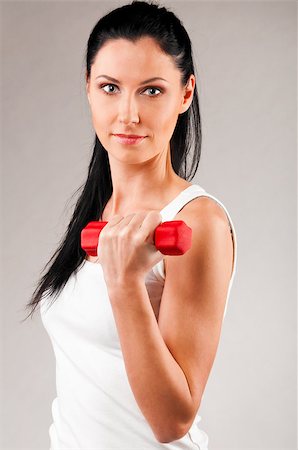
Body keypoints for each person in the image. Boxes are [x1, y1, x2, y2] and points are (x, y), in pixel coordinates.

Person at [24, 1, 237, 449]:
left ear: (185, 93)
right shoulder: (97, 210)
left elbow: (172, 420)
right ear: (88, 89)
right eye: (109, 87)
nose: (128, 114)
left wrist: (124, 283)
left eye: (152, 91)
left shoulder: (198, 222)